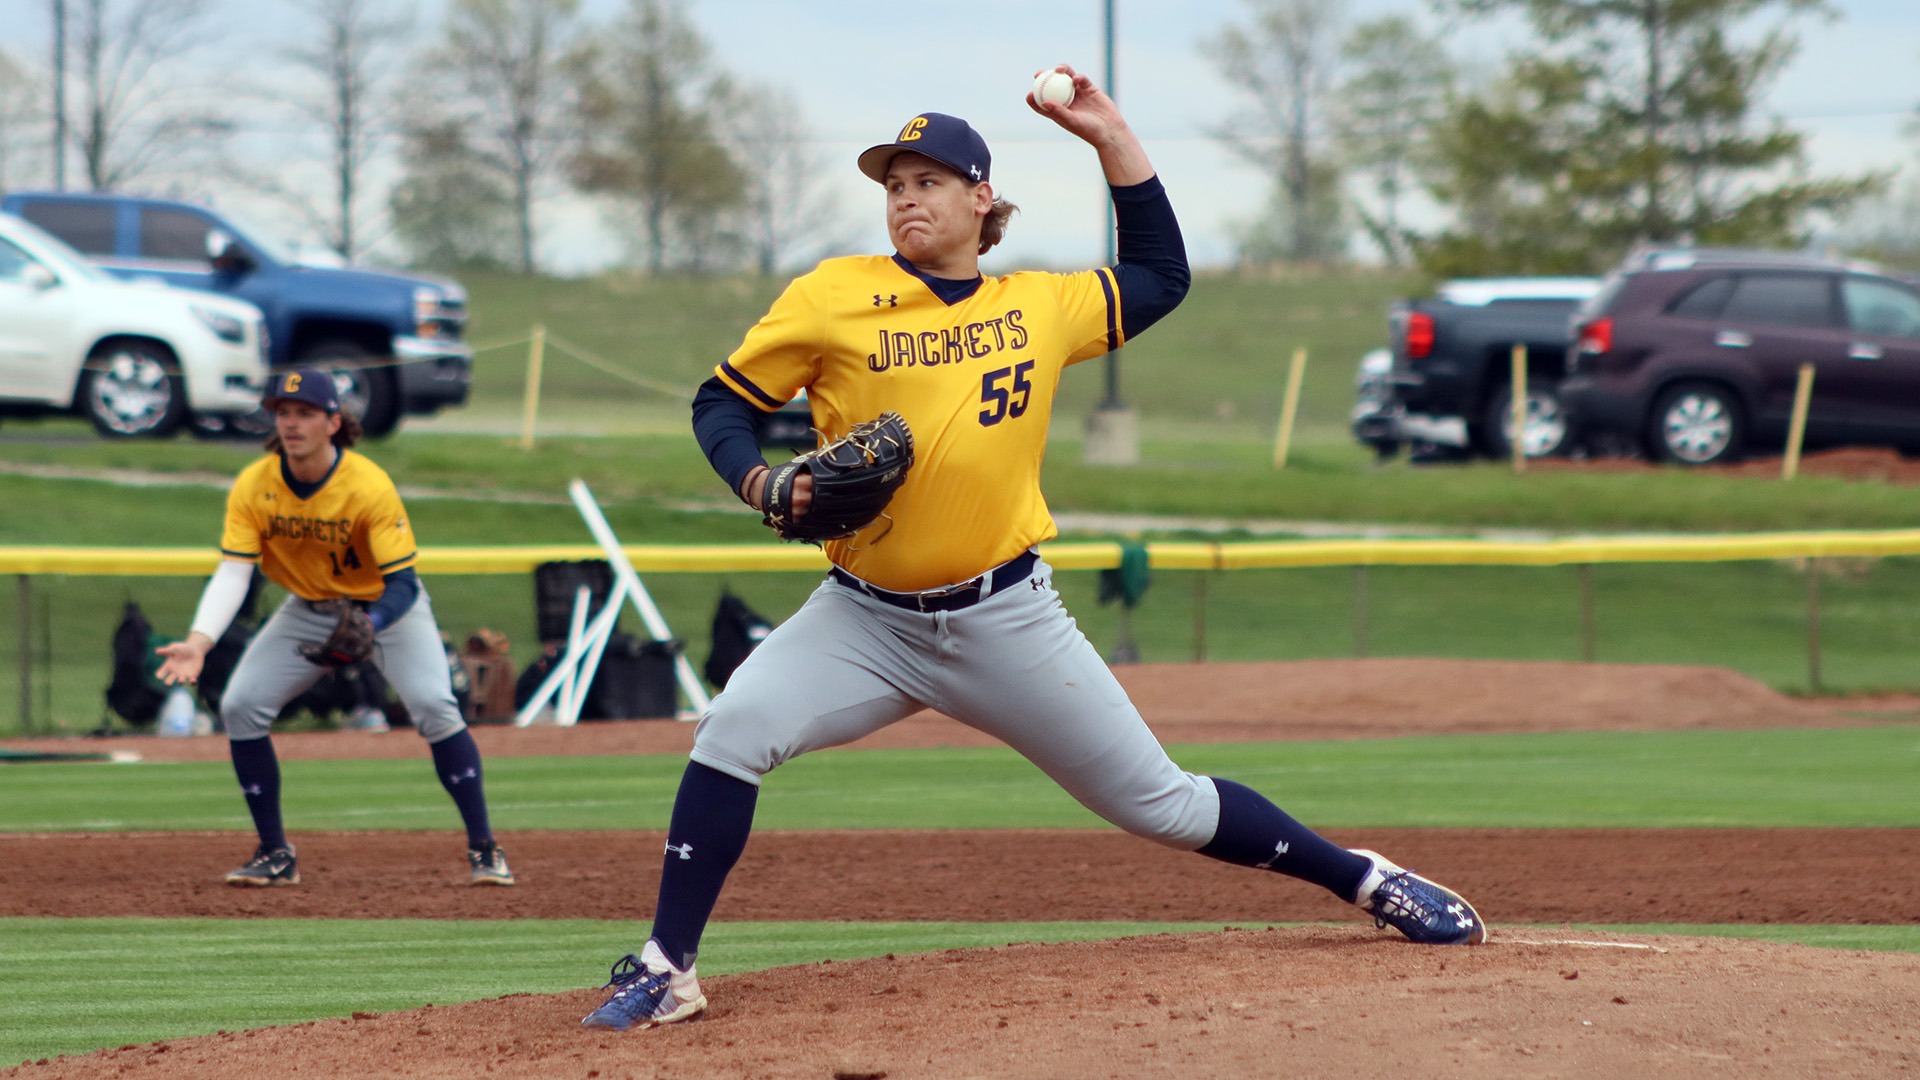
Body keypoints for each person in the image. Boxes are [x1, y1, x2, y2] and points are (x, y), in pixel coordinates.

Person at [580, 66, 1484, 1032]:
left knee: (1164, 806)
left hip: (1006, 616)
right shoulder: (832, 296)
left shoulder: (1039, 306)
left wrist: (1110, 138)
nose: (904, 198)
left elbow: (1163, 279)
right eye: (892, 183)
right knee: (730, 734)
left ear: (981, 198)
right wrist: (758, 480)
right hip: (863, 619)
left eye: (926, 180)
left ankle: (1365, 879)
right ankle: (668, 966)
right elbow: (722, 403)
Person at [155, 368, 513, 888]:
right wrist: (198, 641)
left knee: (436, 707)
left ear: (333, 422)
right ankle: (275, 853)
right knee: (239, 706)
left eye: (304, 413)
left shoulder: (367, 484)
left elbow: (404, 585)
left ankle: (485, 847)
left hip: (385, 609)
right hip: (308, 608)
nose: (291, 423)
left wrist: (371, 624)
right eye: (282, 412)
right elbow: (235, 570)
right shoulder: (256, 484)